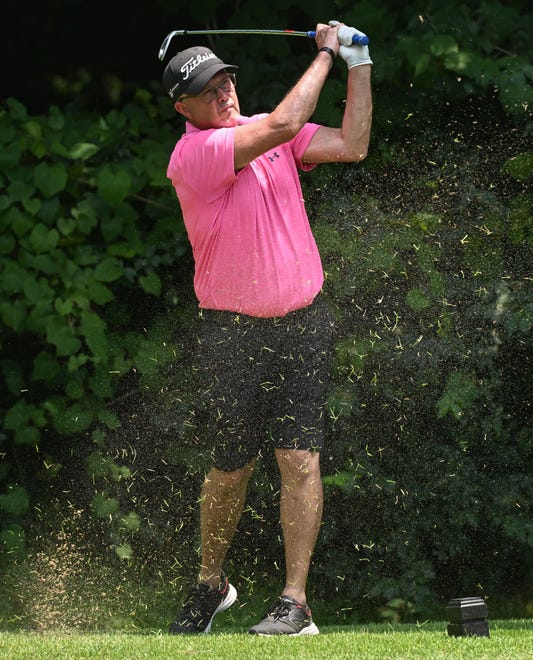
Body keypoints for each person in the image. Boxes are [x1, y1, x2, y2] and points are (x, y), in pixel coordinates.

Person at [162, 20, 372, 636]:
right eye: (207, 89)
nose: (223, 92)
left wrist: (359, 66)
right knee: (230, 466)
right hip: (231, 331)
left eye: (225, 79)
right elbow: (280, 123)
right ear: (184, 108)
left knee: (299, 460)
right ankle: (211, 584)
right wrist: (328, 55)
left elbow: (353, 143)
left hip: (302, 324)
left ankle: (295, 603)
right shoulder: (195, 154)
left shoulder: (268, 133)